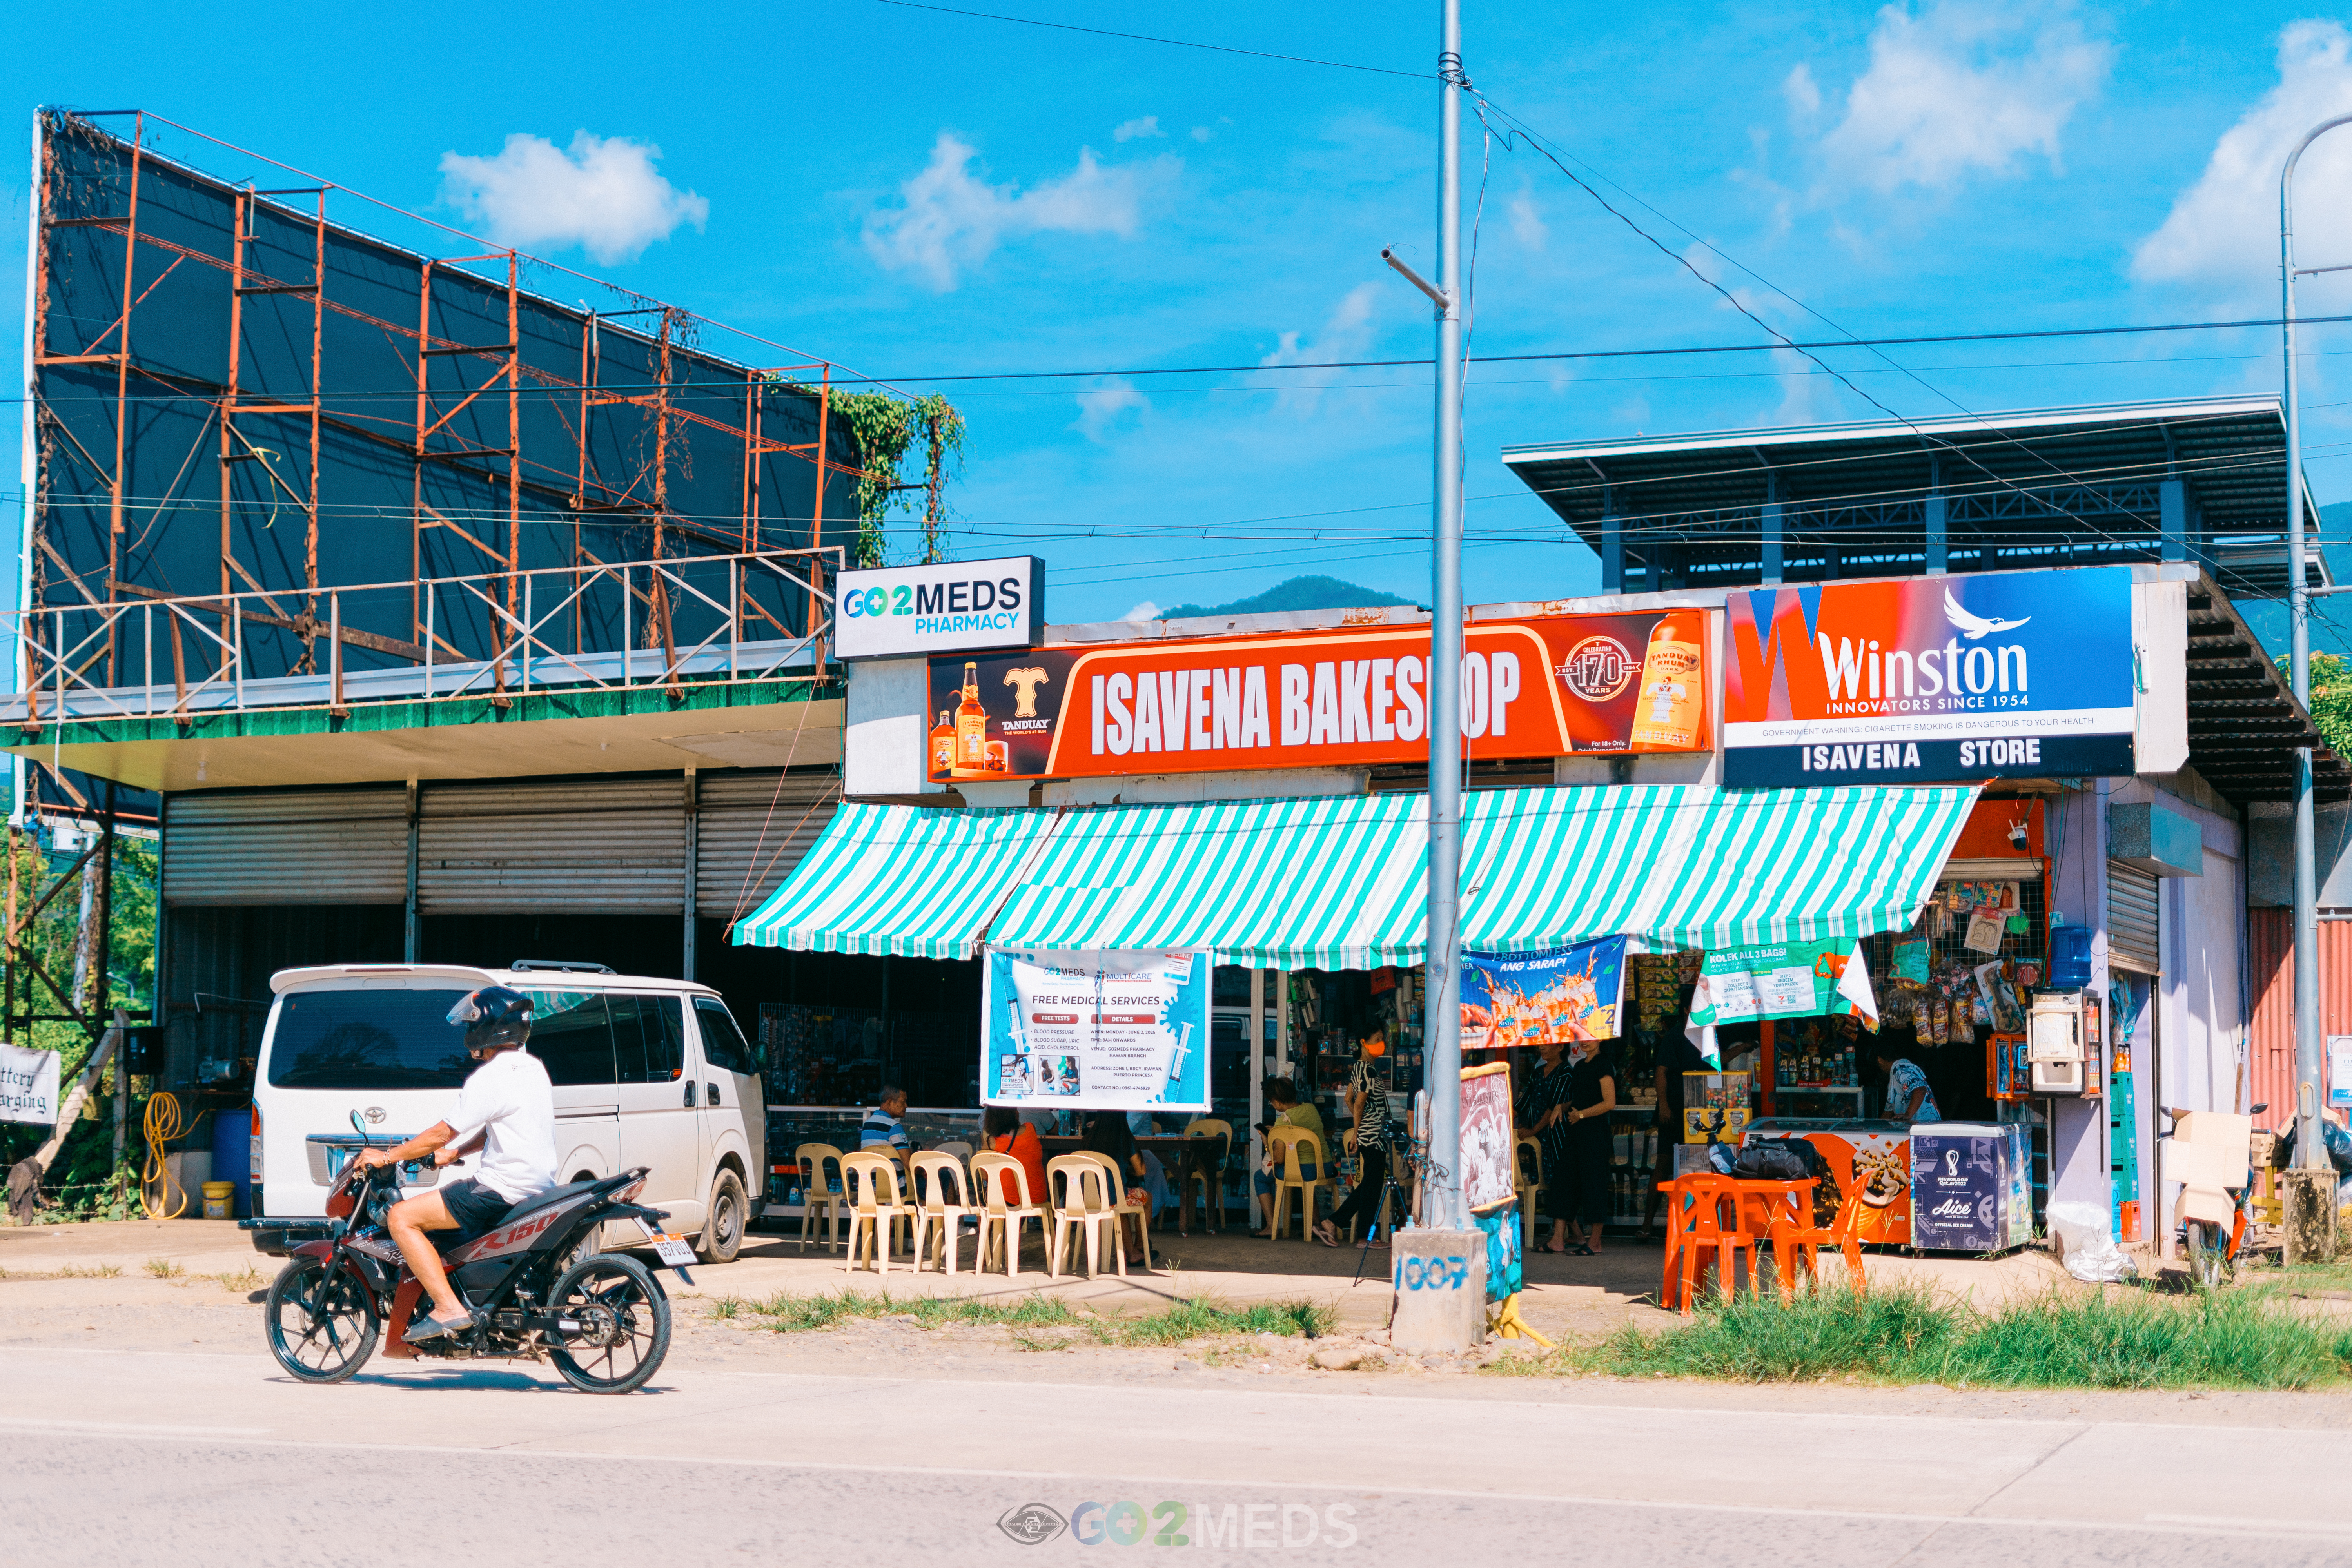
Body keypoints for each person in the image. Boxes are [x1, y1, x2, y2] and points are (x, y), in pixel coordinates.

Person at [358, 985, 555, 1342]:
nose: (467, 1034)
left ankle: (448, 1307)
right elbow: (501, 1127)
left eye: (470, 1025)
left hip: (499, 1188)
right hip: (537, 1185)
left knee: (402, 1218)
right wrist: (458, 1154)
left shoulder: (490, 1077)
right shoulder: (533, 1068)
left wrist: (387, 1156)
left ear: (488, 1027)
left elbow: (439, 1134)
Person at [1316, 1047, 1392, 1248]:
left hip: (1370, 1133)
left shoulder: (1358, 1069)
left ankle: (1333, 1223)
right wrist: (1358, 1131)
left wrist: (1361, 1127)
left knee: (1370, 1184)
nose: (1381, 1044)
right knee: (1372, 1186)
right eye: (1376, 1040)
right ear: (1364, 1044)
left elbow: (1348, 1099)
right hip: (1374, 1135)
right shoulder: (1367, 1070)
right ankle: (1364, 1237)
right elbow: (1358, 1104)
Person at [1519, 1037, 1582, 1254]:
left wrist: (1533, 1130)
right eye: (1540, 1044)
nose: (1542, 1047)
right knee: (1553, 1184)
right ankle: (1578, 1235)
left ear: (1560, 1047)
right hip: (1539, 1139)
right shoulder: (1538, 1073)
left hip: (1558, 1137)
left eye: (1547, 1044)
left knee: (1559, 1183)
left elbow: (1552, 1108)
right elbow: (1524, 1101)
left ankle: (1559, 1238)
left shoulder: (1566, 1073)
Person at [1250, 1079, 1324, 1237]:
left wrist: (1268, 1141)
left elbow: (1279, 1159)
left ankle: (1271, 1226)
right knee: (1308, 1183)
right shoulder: (1311, 1109)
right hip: (1324, 1168)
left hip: (1303, 1172)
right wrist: (1278, 1133)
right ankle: (1317, 1224)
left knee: (1260, 1177)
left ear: (1277, 1103)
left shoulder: (1282, 1122)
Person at [981, 1106, 1049, 1210]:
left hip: (1007, 1201)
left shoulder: (991, 1142)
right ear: (1014, 1114)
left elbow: (985, 1176)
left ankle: (987, 1227)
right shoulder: (1031, 1129)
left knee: (982, 1197)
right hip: (1037, 1198)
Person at [1874, 1045, 1941, 1124]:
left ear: (1880, 1060)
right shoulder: (1894, 1079)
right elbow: (1889, 1111)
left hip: (1926, 1126)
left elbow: (1920, 1089)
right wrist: (1875, 1128)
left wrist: (1908, 1115)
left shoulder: (1901, 1069)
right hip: (1921, 1126)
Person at [861, 1086, 915, 1154]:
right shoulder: (895, 1127)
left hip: (871, 1164)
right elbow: (907, 1162)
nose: (906, 1106)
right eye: (903, 1102)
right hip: (891, 1164)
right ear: (890, 1103)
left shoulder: (867, 1125)